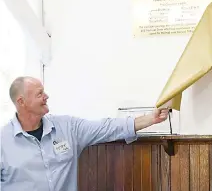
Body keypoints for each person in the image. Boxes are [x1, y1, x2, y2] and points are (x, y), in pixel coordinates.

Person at [0, 76, 169, 191]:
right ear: (21, 102)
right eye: (39, 94)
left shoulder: (68, 128)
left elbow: (107, 127)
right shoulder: (2, 142)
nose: (46, 96)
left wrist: (150, 119)